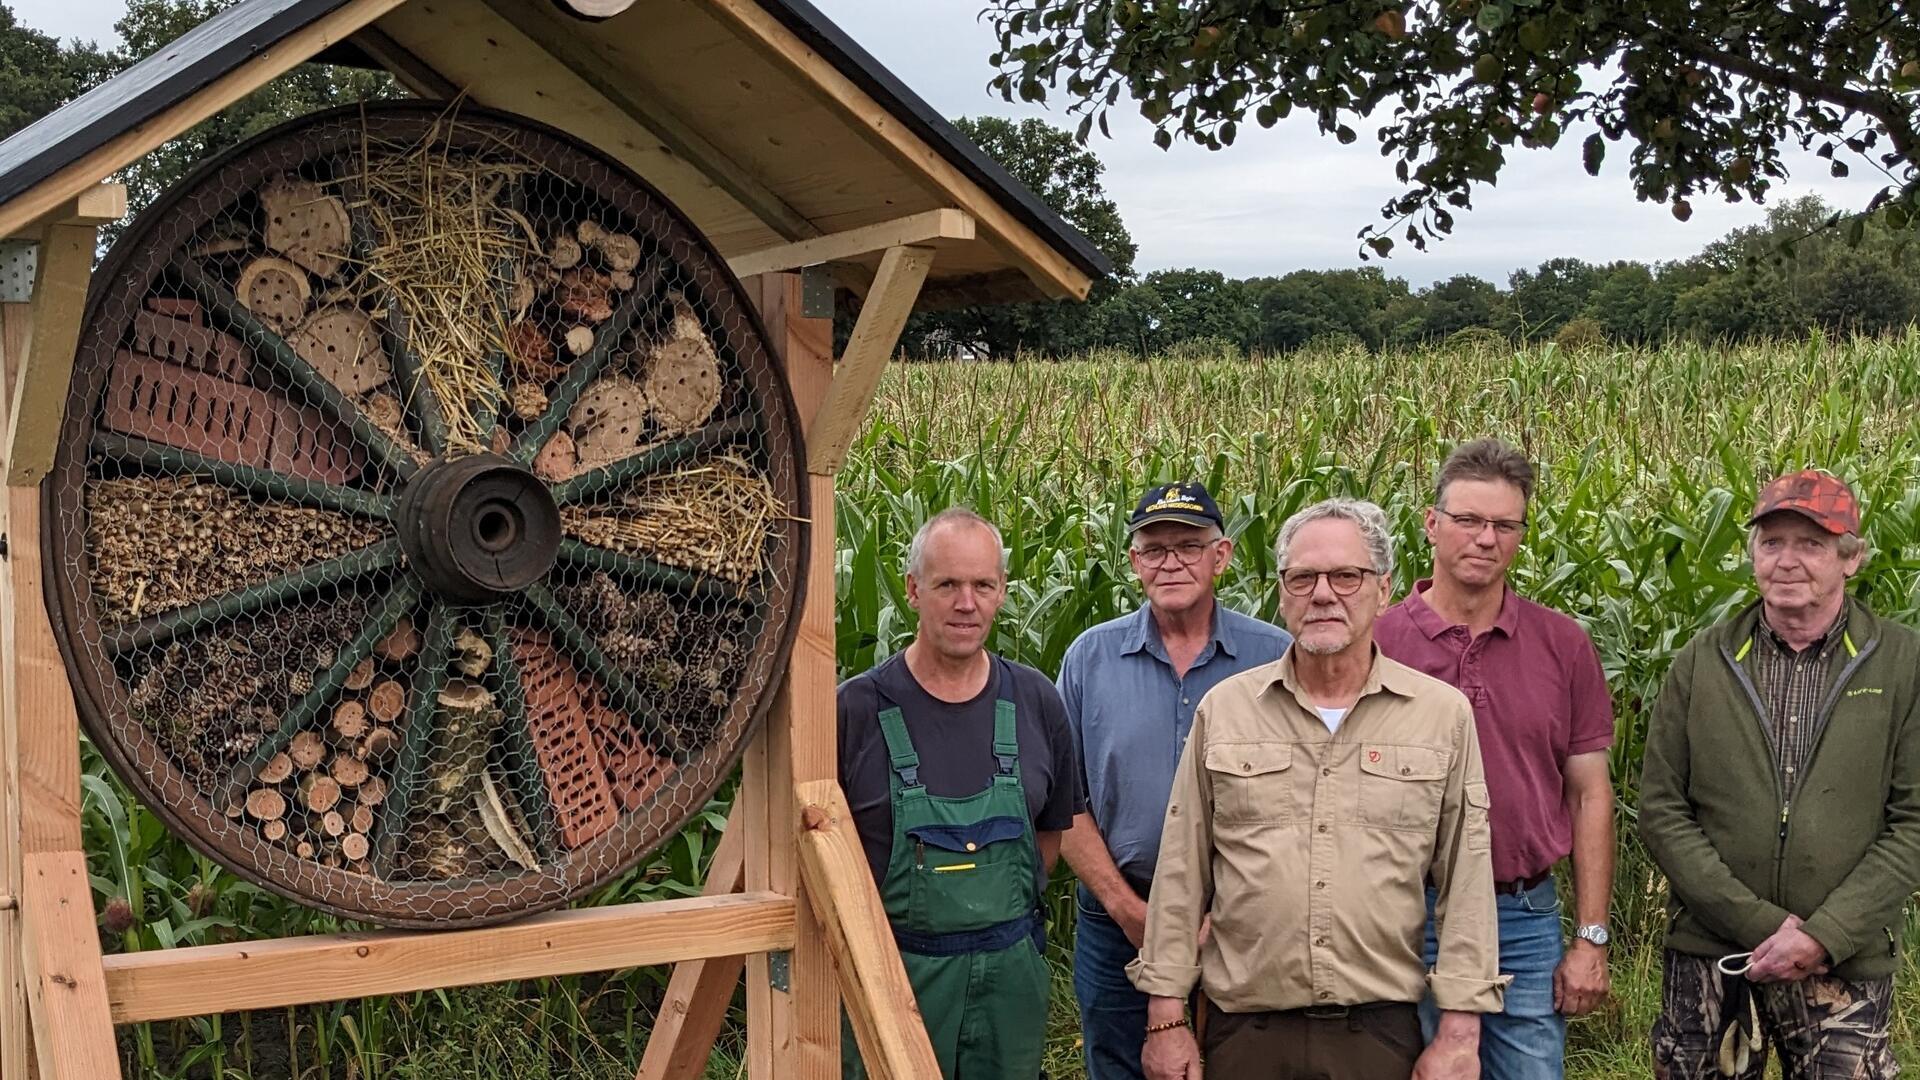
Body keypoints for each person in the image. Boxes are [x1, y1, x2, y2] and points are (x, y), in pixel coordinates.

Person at [1130, 497, 1506, 1080]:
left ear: (1384, 589)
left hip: (1379, 1033)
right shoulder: (1225, 711)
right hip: (1245, 1032)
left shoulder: (1441, 716)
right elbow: (1182, 872)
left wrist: (1459, 1032)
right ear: (1281, 592)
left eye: (1346, 576)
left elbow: (1466, 878)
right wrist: (1165, 1018)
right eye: (1303, 577)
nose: (1323, 594)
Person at [1639, 469, 1920, 1080]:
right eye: (1771, 543)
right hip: (1714, 955)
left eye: (1811, 544)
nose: (1787, 561)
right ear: (1753, 556)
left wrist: (1825, 933)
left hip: (1842, 962)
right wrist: (1759, 923)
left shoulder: (1905, 663)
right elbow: (1661, 809)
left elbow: (1913, 823)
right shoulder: (1702, 660)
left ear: (1852, 558)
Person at [1375, 439, 1616, 1080]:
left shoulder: (1563, 644)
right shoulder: (1375, 641)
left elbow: (1590, 793)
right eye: (1468, 520)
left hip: (1522, 915)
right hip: (1397, 912)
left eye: (1504, 525)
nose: (1485, 538)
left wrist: (1591, 937)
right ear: (1431, 524)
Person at [1057, 481, 1293, 1079]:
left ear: (1223, 555)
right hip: (1117, 922)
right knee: (1120, 1063)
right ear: (1134, 561)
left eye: (1189, 546)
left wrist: (1234, 910)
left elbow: (1306, 798)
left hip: (1247, 924)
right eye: (1154, 548)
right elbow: (1063, 799)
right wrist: (1126, 908)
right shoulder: (1090, 658)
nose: (1171, 563)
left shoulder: (1276, 656)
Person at [835, 506, 1081, 1079]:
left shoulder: (1036, 701)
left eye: (983, 585)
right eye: (947, 584)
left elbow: (1050, 833)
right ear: (914, 589)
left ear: (1000, 593)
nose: (966, 603)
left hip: (1011, 987)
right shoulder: (856, 711)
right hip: (895, 983)